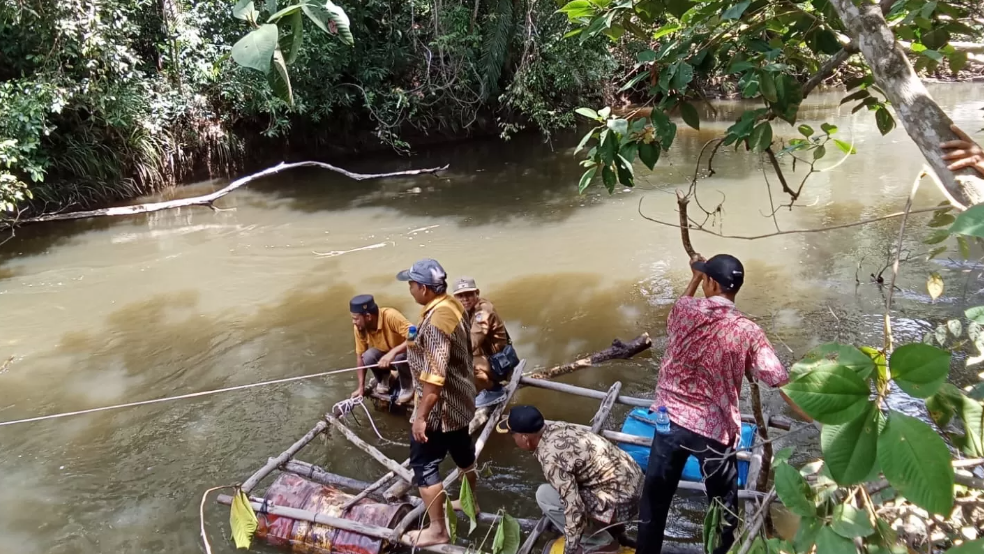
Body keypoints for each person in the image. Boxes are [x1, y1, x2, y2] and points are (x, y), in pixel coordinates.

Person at [636, 254, 811, 554]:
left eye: (705, 278)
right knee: (723, 508)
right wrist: (812, 416)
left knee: (654, 498)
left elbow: (677, 310)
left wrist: (692, 277)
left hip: (669, 420)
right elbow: (780, 381)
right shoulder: (747, 331)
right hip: (712, 430)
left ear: (711, 282)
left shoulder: (684, 311)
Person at [397, 259, 479, 547]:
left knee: (424, 466)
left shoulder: (435, 324)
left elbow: (434, 378)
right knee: (463, 455)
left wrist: (421, 417)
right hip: (463, 401)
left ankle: (437, 530)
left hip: (441, 410)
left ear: (423, 288)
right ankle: (472, 504)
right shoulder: (453, 306)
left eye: (411, 284)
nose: (409, 289)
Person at [497, 405, 642, 554]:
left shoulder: (550, 460)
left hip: (623, 500)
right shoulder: (558, 426)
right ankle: (616, 533)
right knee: (576, 485)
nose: (513, 439)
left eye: (513, 435)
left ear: (525, 438)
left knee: (544, 495)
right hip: (635, 482)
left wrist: (570, 548)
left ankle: (600, 544)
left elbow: (574, 507)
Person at [452, 277, 515, 408]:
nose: (465, 299)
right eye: (460, 296)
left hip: (501, 362)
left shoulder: (484, 311)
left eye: (469, 294)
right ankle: (479, 385)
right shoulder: (461, 310)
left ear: (477, 293)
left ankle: (494, 391)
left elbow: (473, 342)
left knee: (461, 362)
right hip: (486, 359)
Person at [349, 294, 414, 404]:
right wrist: (361, 387)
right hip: (386, 360)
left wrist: (394, 352)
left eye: (356, 319)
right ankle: (385, 378)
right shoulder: (359, 328)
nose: (353, 322)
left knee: (399, 356)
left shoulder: (390, 316)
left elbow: (415, 333)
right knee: (368, 356)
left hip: (407, 358)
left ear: (368, 317)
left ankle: (407, 386)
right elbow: (360, 356)